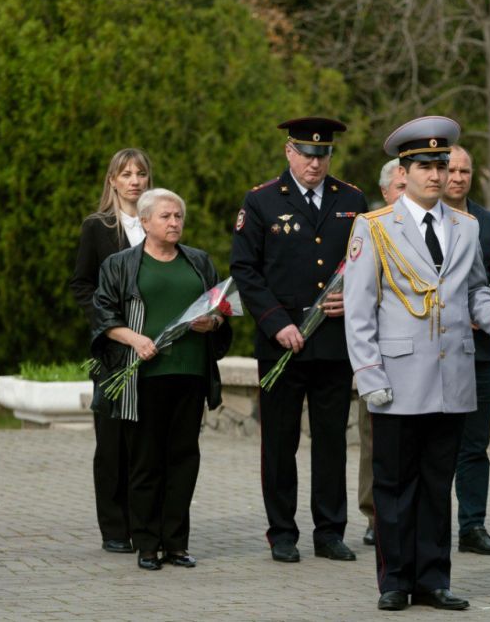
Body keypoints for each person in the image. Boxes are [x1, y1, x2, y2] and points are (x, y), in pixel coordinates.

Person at [344, 116, 490, 611]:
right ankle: (395, 580)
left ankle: (433, 579)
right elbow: (359, 309)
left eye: (441, 165)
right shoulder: (373, 227)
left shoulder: (466, 226)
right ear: (403, 173)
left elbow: (476, 292)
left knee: (436, 483)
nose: (436, 175)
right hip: (397, 377)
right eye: (425, 166)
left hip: (452, 376)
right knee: (394, 483)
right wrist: (368, 374)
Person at [230, 117, 368, 564]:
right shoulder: (262, 200)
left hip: (333, 342)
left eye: (322, 155)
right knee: (279, 443)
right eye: (307, 154)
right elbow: (245, 269)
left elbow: (366, 263)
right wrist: (275, 323)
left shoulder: (352, 199)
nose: (314, 163)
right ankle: (283, 532)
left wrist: (354, 298)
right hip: (281, 345)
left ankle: (329, 532)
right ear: (289, 152)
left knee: (331, 443)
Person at [91, 188, 232, 571]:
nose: (174, 223)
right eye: (166, 216)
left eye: (178, 216)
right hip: (144, 376)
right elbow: (104, 316)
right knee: (146, 461)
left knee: (183, 460)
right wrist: (135, 340)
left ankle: (176, 544)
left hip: (191, 374)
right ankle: (147, 544)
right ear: (146, 222)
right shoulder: (121, 265)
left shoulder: (198, 261)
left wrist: (213, 322)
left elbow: (222, 308)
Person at [69, 148, 153, 555]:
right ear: (113, 181)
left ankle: (145, 523)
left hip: (152, 348)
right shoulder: (97, 227)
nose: (134, 181)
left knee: (145, 442)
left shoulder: (158, 223)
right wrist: (109, 324)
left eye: (140, 173)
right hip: (114, 351)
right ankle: (115, 528)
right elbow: (82, 284)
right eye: (126, 174)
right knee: (113, 442)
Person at [440, 145, 490, 556]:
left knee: (474, 445)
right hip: (435, 353)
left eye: (465, 171)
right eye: (451, 170)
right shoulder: (424, 221)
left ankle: (473, 526)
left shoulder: (488, 222)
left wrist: (488, 315)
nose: (457, 178)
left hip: (478, 352)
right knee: (435, 445)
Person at [357, 158, 407, 548]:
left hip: (423, 358)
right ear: (385, 192)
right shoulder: (372, 228)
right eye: (400, 188)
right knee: (375, 440)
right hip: (381, 356)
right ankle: (375, 513)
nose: (406, 195)